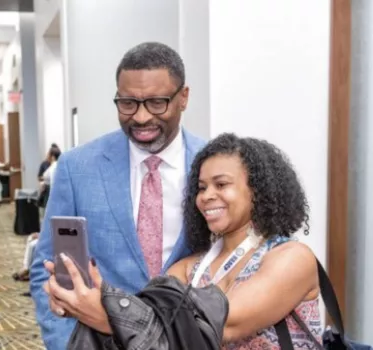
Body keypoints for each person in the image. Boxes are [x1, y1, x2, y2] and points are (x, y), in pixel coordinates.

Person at [44, 133, 322, 349]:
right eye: (201, 188)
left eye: (221, 184)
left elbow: (223, 325)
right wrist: (87, 299)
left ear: (258, 191)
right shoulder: (188, 268)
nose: (206, 196)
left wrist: (107, 314)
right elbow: (154, 325)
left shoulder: (291, 258)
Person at [30, 41, 206, 349]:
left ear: (184, 98)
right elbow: (46, 263)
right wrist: (65, 343)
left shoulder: (213, 164)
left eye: (156, 102)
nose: (140, 118)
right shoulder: (77, 167)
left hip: (186, 339)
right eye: (127, 103)